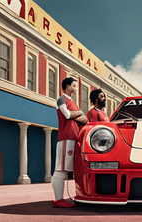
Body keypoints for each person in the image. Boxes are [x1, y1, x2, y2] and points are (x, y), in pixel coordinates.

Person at [52, 77, 88, 208]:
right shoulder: (62, 100)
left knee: (67, 169)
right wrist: (79, 112)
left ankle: (60, 199)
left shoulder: (73, 102)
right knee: (61, 170)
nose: (76, 88)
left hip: (73, 137)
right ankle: (58, 200)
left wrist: (82, 117)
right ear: (67, 86)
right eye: (74, 85)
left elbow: (80, 120)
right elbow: (67, 115)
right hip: (65, 138)